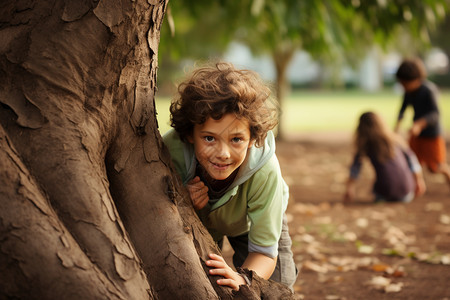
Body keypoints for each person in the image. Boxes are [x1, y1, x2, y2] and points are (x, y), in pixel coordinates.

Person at [163, 62, 297, 291]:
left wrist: (243, 279)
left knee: (276, 285)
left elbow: (264, 252)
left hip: (250, 220)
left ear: (253, 137)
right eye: (209, 138)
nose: (223, 154)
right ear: (189, 134)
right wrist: (183, 202)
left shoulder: (265, 171)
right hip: (201, 219)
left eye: (236, 139)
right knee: (202, 279)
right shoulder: (171, 151)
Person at [344, 111, 426, 203]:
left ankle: (382, 194)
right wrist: (419, 181)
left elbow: (355, 168)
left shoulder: (366, 144)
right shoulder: (395, 139)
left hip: (385, 194)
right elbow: (412, 160)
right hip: (407, 194)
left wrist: (349, 188)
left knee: (378, 188)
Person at [394, 57, 450, 190]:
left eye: (405, 83)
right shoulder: (408, 92)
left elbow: (435, 114)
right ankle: (417, 186)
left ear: (416, 79)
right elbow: (402, 109)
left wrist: (419, 124)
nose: (403, 86)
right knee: (412, 161)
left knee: (436, 167)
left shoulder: (429, 91)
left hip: (432, 134)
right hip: (417, 134)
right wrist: (396, 128)